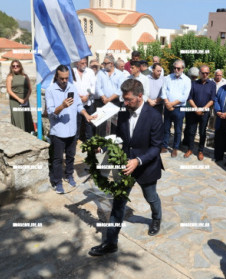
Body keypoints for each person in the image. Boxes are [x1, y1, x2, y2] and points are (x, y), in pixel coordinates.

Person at [88, 79, 163, 256]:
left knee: (151, 197)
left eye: (129, 99)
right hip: (125, 167)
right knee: (118, 204)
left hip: (146, 166)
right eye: (124, 99)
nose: (125, 103)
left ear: (139, 96)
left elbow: (156, 147)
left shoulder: (154, 116)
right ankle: (111, 242)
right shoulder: (123, 113)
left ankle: (156, 217)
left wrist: (138, 160)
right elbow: (119, 138)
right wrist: (103, 146)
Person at [45, 65, 95, 194]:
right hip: (58, 131)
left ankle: (69, 175)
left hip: (72, 130)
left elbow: (79, 105)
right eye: (62, 79)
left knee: (71, 156)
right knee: (57, 159)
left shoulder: (72, 87)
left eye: (67, 78)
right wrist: (62, 106)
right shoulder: (50, 90)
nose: (64, 81)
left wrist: (86, 115)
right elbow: (50, 112)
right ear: (57, 76)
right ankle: (57, 182)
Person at [184, 65, 216, 160]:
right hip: (193, 112)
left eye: (207, 73)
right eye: (203, 73)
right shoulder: (193, 84)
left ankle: (200, 151)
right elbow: (189, 97)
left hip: (204, 112)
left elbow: (212, 99)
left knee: (202, 132)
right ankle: (190, 149)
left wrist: (202, 109)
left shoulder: (212, 84)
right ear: (199, 73)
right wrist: (196, 108)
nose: (205, 74)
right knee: (191, 131)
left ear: (209, 73)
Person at [161, 59, 191, 157]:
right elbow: (163, 91)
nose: (176, 70)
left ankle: (175, 148)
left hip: (179, 109)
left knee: (178, 130)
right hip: (168, 107)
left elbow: (184, 97)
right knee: (166, 128)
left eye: (178, 68)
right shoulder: (167, 78)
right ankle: (164, 145)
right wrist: (167, 103)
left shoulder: (187, 80)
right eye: (174, 68)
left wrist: (172, 104)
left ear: (183, 68)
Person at [6, 60, 34, 133]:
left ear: (20, 67)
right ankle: (18, 133)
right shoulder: (10, 77)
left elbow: (30, 89)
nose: (15, 67)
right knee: (17, 118)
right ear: (11, 67)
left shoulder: (25, 76)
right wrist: (19, 99)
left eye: (17, 65)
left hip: (25, 100)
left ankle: (29, 133)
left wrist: (26, 98)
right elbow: (9, 90)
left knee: (26, 117)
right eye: (13, 66)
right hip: (15, 101)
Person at [73, 58, 96, 141]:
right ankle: (74, 141)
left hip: (88, 101)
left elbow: (93, 86)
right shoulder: (72, 72)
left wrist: (87, 95)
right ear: (77, 63)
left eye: (85, 63)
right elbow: (71, 86)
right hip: (76, 102)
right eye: (82, 63)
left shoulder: (90, 72)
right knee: (76, 122)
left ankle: (89, 142)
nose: (84, 65)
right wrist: (77, 96)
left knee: (89, 122)